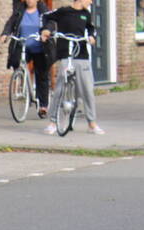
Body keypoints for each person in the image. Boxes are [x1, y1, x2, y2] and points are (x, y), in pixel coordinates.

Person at [41, 0, 104, 134]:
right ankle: (53, 122)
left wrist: (92, 36)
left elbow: (92, 28)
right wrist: (46, 30)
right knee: (60, 88)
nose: (91, 2)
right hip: (65, 54)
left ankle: (92, 124)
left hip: (81, 55)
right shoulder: (63, 11)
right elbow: (46, 17)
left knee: (87, 89)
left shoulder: (86, 14)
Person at [0, 0, 52, 118]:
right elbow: (10, 23)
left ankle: (43, 105)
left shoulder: (43, 11)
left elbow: (51, 23)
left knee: (42, 75)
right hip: (23, 46)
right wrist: (5, 34)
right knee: (16, 61)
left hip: (40, 47)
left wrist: (46, 31)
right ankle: (23, 84)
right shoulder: (19, 10)